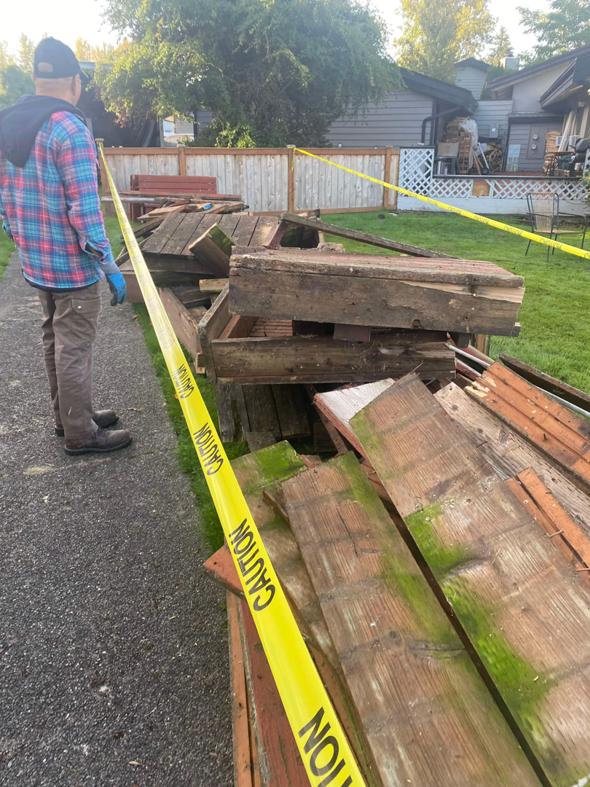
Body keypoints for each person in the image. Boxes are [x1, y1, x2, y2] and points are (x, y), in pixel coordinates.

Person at [0, 37, 131, 455]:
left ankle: (71, 416)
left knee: (54, 340)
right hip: (71, 269)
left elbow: (5, 200)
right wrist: (108, 264)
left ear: (37, 78)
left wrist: (19, 239)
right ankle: (80, 434)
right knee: (72, 347)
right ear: (75, 81)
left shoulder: (9, 125)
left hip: (36, 264)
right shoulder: (69, 129)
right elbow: (86, 212)